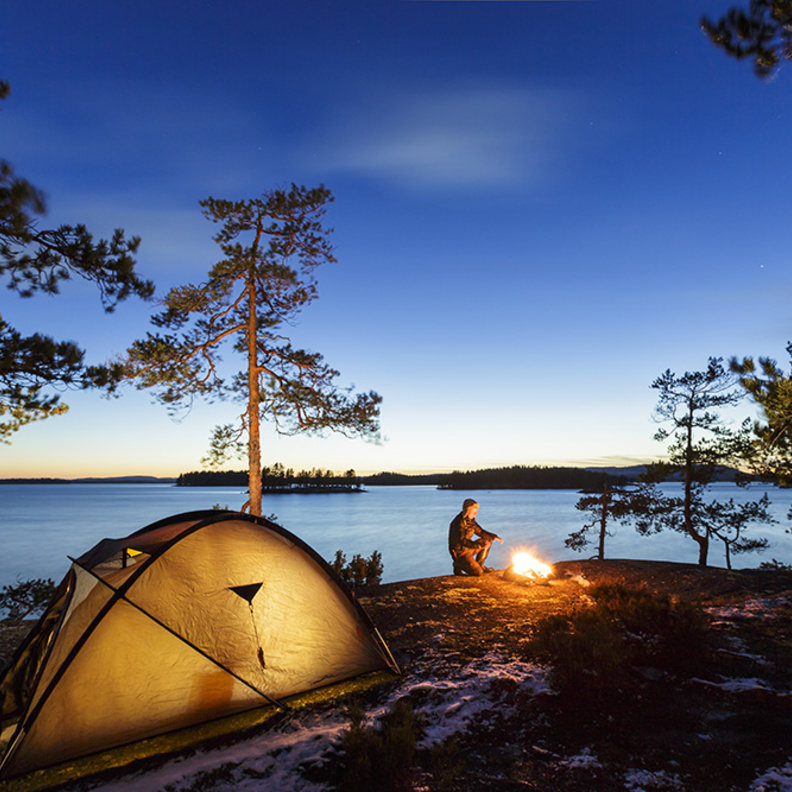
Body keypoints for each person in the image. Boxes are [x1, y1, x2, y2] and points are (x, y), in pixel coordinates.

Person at [448, 498, 503, 576]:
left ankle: (480, 565)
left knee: (487, 541)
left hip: (468, 548)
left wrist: (493, 537)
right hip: (460, 553)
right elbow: (463, 540)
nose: (476, 513)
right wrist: (478, 545)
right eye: (474, 511)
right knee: (478, 573)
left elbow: (480, 532)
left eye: (476, 511)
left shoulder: (471, 521)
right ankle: (457, 564)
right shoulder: (458, 523)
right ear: (467, 510)